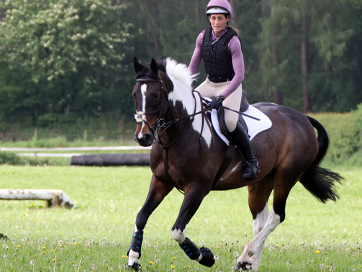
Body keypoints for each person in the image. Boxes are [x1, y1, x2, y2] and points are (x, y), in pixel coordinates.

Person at [188, 0, 259, 180]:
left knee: (229, 121)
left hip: (230, 85)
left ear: (227, 19)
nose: (216, 22)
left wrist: (222, 97)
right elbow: (193, 67)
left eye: (220, 18)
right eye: (213, 18)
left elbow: (240, 75)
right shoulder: (201, 37)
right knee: (187, 107)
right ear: (209, 19)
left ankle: (251, 161)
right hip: (209, 83)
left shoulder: (233, 41)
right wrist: (183, 87)